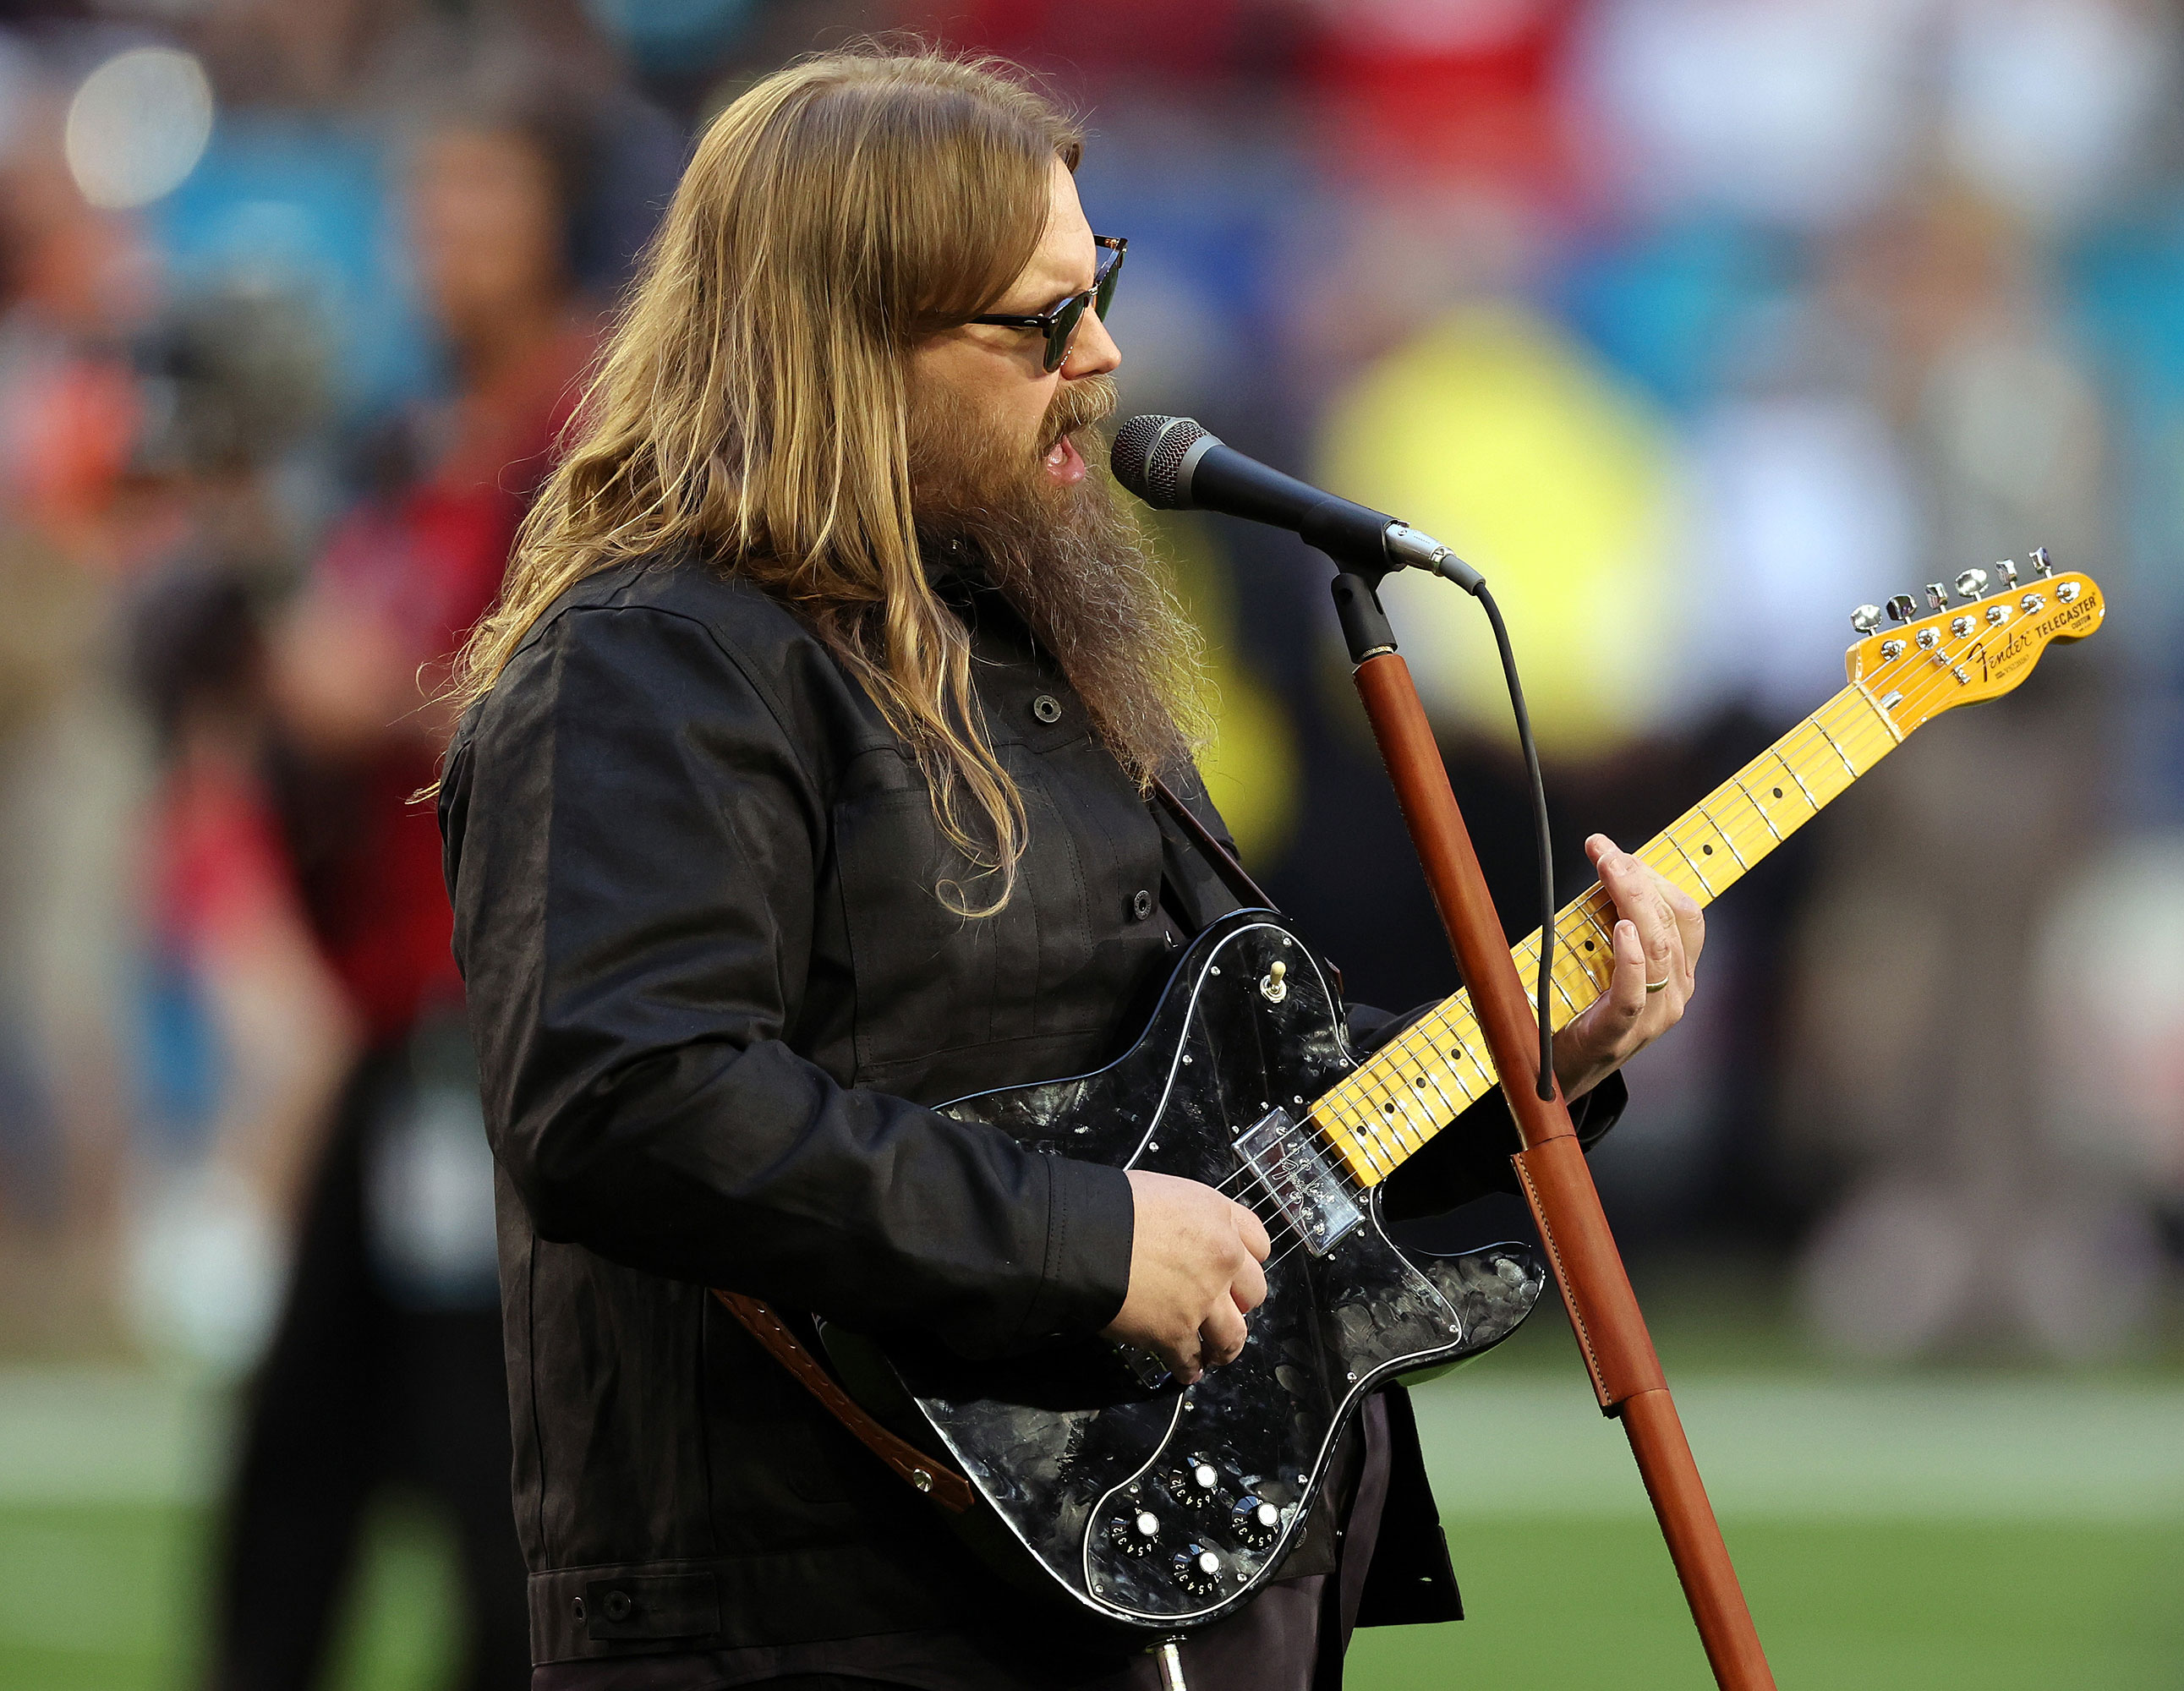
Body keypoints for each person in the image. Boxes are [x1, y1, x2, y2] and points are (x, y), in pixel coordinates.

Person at [437, 47, 1705, 1691]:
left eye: (1093, 286)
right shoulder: (652, 664)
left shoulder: (1039, 640)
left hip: (1159, 1587)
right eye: (1035, 321)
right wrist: (1083, 1237)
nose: (1099, 354)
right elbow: (627, 1094)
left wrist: (1554, 1044)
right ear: (841, 340)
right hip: (841, 1610)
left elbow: (1255, 1128)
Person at [205, 96, 599, 1691]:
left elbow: (597, 689)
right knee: (298, 1446)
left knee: (479, 1445)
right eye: (425, 209)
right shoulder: (409, 435)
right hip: (400, 1007)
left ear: (560, 218)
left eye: (480, 206)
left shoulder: (590, 426)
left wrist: (378, 696)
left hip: (507, 1022)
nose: (444, 246)